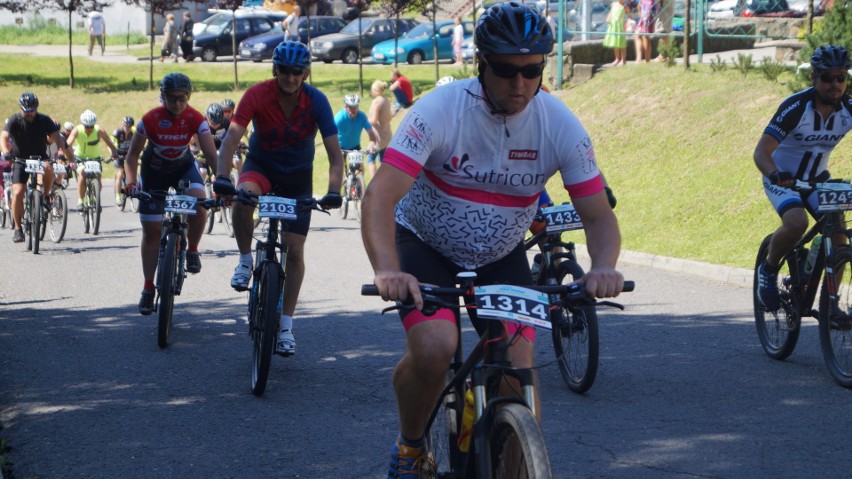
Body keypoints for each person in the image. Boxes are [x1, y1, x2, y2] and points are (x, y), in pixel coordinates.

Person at [360, 3, 625, 476]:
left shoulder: (559, 124)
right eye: (505, 71)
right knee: (436, 346)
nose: (520, 84)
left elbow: (599, 217)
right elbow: (379, 198)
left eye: (531, 71)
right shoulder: (439, 111)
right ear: (480, 64)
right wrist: (386, 269)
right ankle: (410, 446)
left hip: (500, 255)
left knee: (518, 360)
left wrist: (603, 265)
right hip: (424, 243)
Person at [214, 41, 343, 357]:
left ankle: (285, 326)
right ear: (275, 70)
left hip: (297, 177)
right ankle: (245, 259)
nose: (290, 77)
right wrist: (220, 176)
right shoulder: (257, 94)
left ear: (305, 73)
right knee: (244, 198)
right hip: (262, 167)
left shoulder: (317, 101)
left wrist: (334, 191)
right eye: (284, 70)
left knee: (295, 251)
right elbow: (231, 138)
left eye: (297, 72)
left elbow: (334, 155)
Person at [754, 45, 852, 311]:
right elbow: (761, 152)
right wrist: (775, 173)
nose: (835, 84)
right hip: (783, 179)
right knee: (797, 222)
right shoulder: (796, 107)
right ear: (814, 77)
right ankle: (769, 269)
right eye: (827, 78)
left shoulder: (848, 108)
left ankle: (831, 304)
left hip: (818, 180)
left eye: (841, 78)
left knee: (839, 232)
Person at [124, 72, 218, 315]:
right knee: (152, 231)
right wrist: (132, 181)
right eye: (172, 98)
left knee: (199, 204)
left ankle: (192, 249)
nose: (177, 103)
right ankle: (147, 287)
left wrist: (222, 181)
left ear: (188, 97)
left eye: (182, 98)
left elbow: (210, 155)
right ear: (163, 97)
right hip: (153, 171)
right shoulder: (150, 119)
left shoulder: (196, 118)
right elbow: (132, 155)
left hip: (182, 168)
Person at [0, 92, 69, 243]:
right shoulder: (14, 120)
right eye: (26, 110)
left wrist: (61, 152)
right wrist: (6, 152)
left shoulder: (44, 120)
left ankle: (44, 197)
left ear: (36, 108)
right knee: (18, 192)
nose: (29, 113)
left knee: (48, 168)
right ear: (20, 108)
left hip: (39, 158)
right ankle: (18, 229)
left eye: (32, 110)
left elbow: (57, 137)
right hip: (20, 160)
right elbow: (4, 136)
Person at [65, 109, 118, 211]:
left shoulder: (99, 130)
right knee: (83, 174)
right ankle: (80, 200)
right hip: (80, 157)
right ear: (82, 124)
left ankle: (95, 197)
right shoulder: (77, 130)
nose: (89, 128)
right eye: (87, 126)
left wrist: (115, 154)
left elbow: (109, 143)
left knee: (98, 178)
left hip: (95, 158)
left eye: (91, 126)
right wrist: (67, 156)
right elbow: (67, 144)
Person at [335, 93, 380, 166]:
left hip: (355, 146)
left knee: (359, 169)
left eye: (355, 106)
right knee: (339, 169)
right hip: (340, 147)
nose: (354, 109)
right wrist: (335, 148)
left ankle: (359, 177)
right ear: (345, 107)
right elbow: (330, 134)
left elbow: (372, 135)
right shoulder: (339, 118)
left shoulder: (362, 116)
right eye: (351, 107)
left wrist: (371, 145)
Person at [366, 80, 392, 177]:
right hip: (387, 134)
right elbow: (390, 117)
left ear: (374, 91)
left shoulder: (376, 102)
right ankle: (385, 180)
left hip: (378, 136)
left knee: (370, 158)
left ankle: (374, 182)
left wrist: (365, 119)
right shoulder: (386, 100)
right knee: (382, 159)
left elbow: (373, 120)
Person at [112, 115, 136, 204]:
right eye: (126, 126)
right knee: (120, 173)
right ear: (123, 125)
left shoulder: (134, 132)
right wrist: (114, 154)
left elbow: (139, 143)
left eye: (130, 126)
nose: (128, 128)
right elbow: (110, 144)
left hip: (128, 155)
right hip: (118, 155)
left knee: (132, 172)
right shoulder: (117, 132)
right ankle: (118, 196)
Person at [602, 0, 628, 67]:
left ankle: (623, 60)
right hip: (613, 25)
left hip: (620, 26)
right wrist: (608, 18)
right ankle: (617, 58)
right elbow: (611, 12)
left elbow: (628, 14)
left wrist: (627, 23)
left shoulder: (625, 6)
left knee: (622, 43)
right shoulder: (614, 4)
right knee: (615, 42)